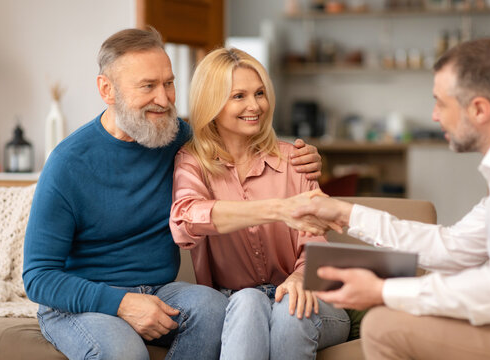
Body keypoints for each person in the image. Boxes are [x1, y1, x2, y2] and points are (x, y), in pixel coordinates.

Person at [22, 28, 322, 360]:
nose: (165, 100)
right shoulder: (68, 163)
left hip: (160, 291)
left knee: (214, 308)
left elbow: (239, 143)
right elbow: (38, 277)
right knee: (125, 352)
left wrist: (301, 157)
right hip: (82, 301)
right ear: (107, 90)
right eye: (148, 86)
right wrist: (121, 304)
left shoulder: (178, 138)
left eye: (169, 83)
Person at [293, 38, 490, 359]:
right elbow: (453, 247)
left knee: (384, 326)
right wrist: (347, 213)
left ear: (479, 108)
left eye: (440, 102)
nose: (434, 116)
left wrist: (384, 291)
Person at [169, 47, 350, 360]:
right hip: (238, 302)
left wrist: (298, 279)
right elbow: (184, 223)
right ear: (212, 103)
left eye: (260, 93)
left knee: (290, 311)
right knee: (249, 300)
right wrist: (274, 210)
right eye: (238, 96)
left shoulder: (295, 160)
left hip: (310, 296)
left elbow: (315, 244)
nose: (255, 106)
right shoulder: (192, 163)